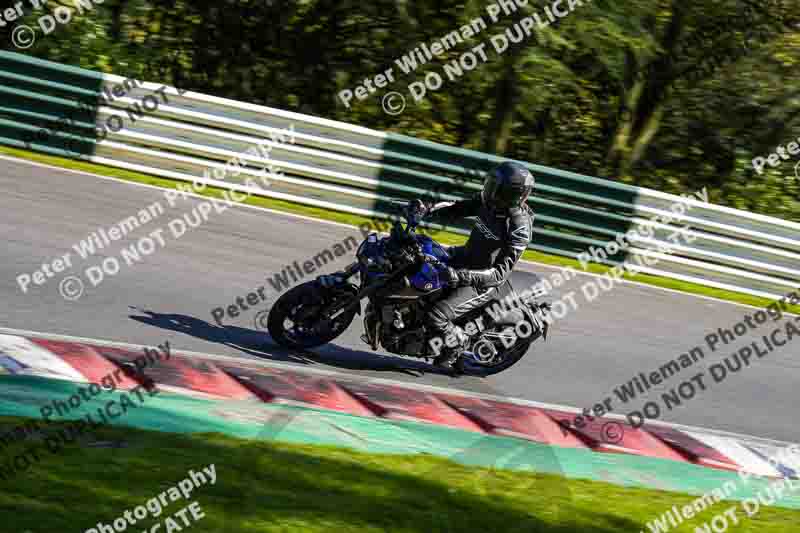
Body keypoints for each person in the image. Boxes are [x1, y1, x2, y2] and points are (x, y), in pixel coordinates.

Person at [417, 161, 535, 375]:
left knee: (436, 316)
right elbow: (457, 208)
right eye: (489, 184)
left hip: (482, 281)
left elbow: (500, 274)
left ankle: (457, 344)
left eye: (495, 187)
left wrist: (461, 276)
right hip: (463, 257)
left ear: (512, 194)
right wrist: (425, 210)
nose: (489, 190)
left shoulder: (519, 226)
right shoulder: (488, 202)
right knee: (419, 259)